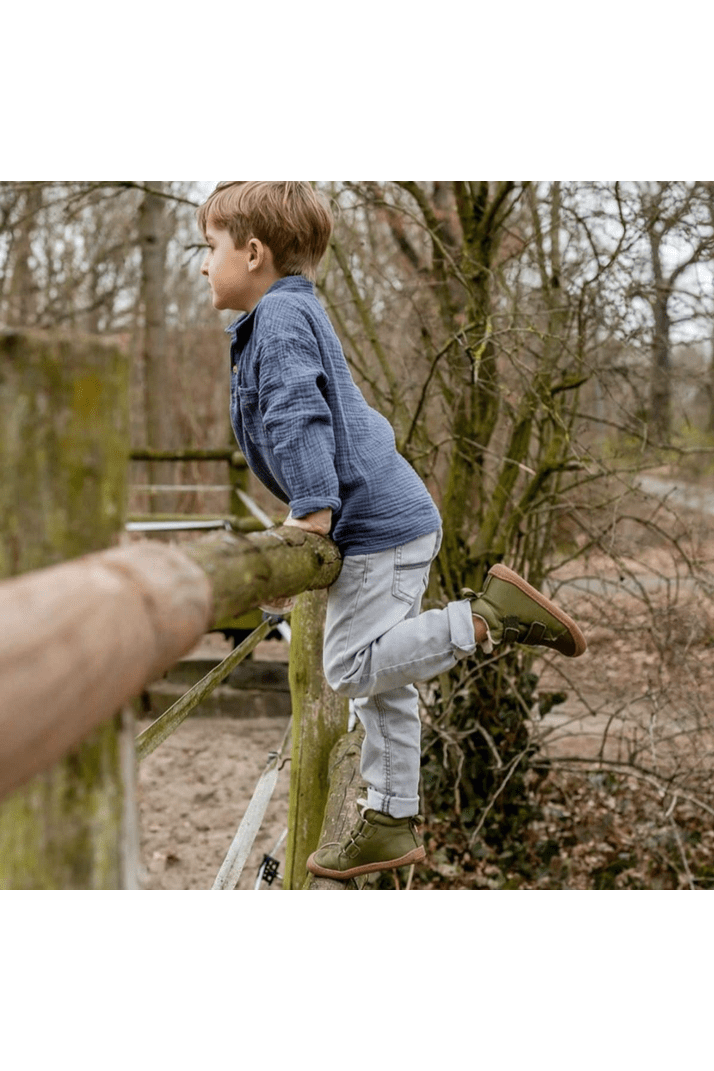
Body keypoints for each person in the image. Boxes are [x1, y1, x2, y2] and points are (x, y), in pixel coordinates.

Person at [198, 182, 587, 882]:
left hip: (377, 528)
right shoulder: (287, 314)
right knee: (386, 678)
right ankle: (391, 814)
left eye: (210, 247)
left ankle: (485, 618)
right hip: (392, 520)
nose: (203, 264)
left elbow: (298, 415)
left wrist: (309, 515)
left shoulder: (280, 318)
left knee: (348, 668)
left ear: (252, 253)